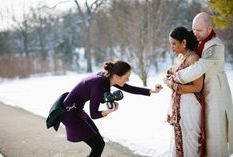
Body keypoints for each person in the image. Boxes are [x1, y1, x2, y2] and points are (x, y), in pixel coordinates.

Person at [61, 60, 163, 157]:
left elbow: (129, 88)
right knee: (98, 145)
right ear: (116, 76)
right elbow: (94, 114)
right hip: (70, 114)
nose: (128, 80)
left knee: (99, 144)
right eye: (126, 77)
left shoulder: (107, 77)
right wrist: (109, 111)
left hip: (76, 111)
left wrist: (151, 90)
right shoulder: (99, 84)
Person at [172, 12, 233, 157]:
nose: (195, 33)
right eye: (193, 29)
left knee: (215, 136)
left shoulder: (215, 45)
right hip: (202, 95)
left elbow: (199, 67)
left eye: (199, 30)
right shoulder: (199, 40)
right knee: (202, 135)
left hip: (215, 94)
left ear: (209, 29)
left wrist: (177, 77)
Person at [164, 26, 204, 157]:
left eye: (174, 44)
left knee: (189, 143)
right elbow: (171, 75)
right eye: (171, 44)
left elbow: (197, 87)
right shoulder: (181, 57)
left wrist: (176, 87)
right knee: (178, 141)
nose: (172, 47)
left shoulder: (193, 59)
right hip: (179, 106)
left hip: (189, 107)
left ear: (184, 42)